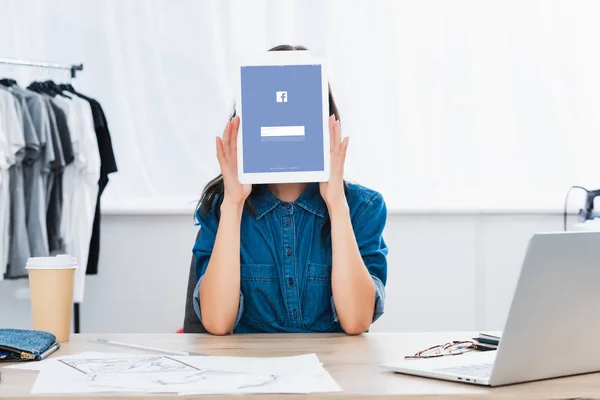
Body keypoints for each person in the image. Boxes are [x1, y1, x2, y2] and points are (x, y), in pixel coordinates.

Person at [192, 45, 388, 335]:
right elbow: (218, 323)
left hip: (334, 373)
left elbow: (357, 320)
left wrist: (336, 204)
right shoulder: (223, 205)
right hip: (250, 372)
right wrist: (233, 205)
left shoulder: (363, 208)